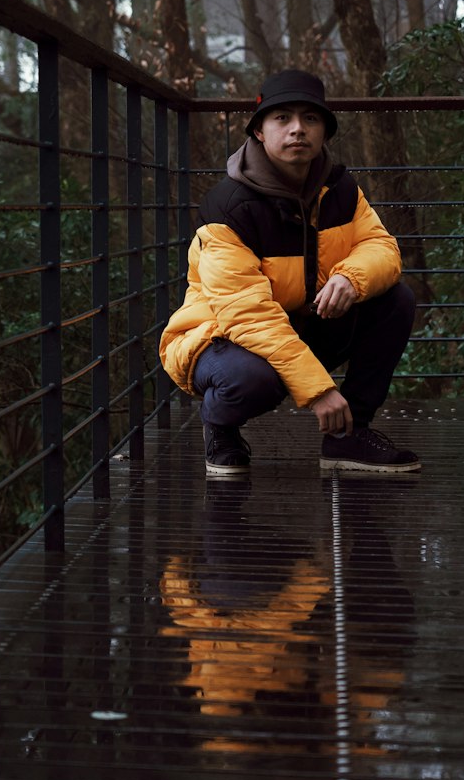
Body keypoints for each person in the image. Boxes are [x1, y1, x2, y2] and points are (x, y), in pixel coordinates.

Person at [159, 69, 420, 476]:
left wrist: (350, 277)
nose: (298, 129)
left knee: (395, 301)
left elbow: (381, 247)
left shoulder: (341, 191)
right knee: (252, 380)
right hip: (221, 339)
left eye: (310, 119)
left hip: (303, 322)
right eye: (283, 118)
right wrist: (319, 391)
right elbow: (248, 314)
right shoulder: (227, 208)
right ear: (260, 131)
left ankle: (347, 436)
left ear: (324, 132)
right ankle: (220, 427)